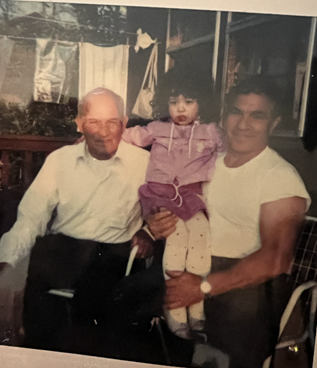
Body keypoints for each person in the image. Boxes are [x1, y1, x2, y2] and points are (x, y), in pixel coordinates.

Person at [148, 76, 311, 368]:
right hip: (187, 264)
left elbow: (275, 259)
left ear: (273, 123)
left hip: (241, 285)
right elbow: (175, 206)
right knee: (123, 308)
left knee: (213, 353)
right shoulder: (204, 161)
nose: (243, 124)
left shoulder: (279, 177)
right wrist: (156, 224)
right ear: (224, 116)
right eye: (237, 112)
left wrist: (203, 287)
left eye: (257, 116)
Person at [0, 88, 160, 360]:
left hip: (115, 251)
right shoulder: (59, 161)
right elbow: (31, 217)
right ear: (80, 124)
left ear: (124, 123)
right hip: (65, 249)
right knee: (36, 287)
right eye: (94, 121)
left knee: (94, 320)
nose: (104, 131)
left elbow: (162, 212)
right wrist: (5, 260)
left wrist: (148, 232)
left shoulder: (145, 164)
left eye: (112, 122)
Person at [123, 69, 224, 339]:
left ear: (202, 102)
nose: (180, 108)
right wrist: (93, 136)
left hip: (190, 195)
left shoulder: (211, 132)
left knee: (201, 230)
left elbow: (231, 155)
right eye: (173, 101)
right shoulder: (157, 128)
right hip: (161, 194)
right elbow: (130, 136)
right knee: (177, 236)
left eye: (189, 101)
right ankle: (177, 313)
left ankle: (197, 304)